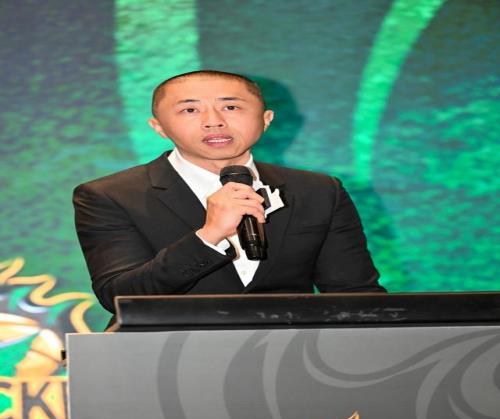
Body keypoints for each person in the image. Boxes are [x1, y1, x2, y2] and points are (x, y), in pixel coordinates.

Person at [73, 70, 385, 318]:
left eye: (231, 107)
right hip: (165, 358)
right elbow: (119, 297)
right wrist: (209, 236)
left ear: (266, 120)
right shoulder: (109, 195)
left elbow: (355, 294)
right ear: (159, 127)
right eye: (190, 109)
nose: (214, 122)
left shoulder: (318, 190)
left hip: (292, 356)